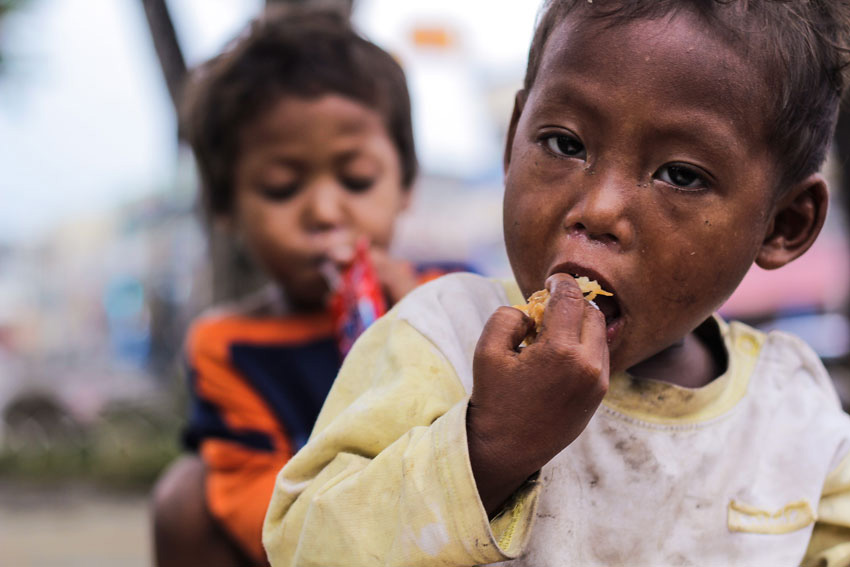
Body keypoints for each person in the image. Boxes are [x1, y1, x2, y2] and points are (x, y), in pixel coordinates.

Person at [262, 1, 850, 566]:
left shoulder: (793, 414)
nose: (597, 210)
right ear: (513, 139)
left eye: (680, 176)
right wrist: (490, 448)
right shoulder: (439, 339)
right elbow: (304, 544)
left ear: (782, 224)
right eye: (565, 144)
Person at [151, 6, 468, 566]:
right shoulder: (227, 346)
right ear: (226, 206)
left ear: (405, 182)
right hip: (309, 550)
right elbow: (250, 500)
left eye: (356, 180)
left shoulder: (452, 301)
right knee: (184, 495)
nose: (325, 212)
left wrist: (418, 320)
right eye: (281, 187)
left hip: (447, 538)